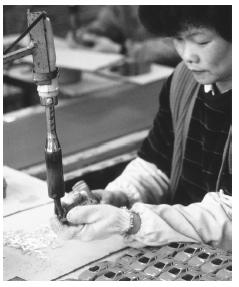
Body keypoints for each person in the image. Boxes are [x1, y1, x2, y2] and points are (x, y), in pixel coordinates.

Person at [54, 5, 232, 251]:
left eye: (201, 41)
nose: (187, 55)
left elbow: (230, 218)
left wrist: (133, 222)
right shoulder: (184, 81)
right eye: (178, 39)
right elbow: (157, 165)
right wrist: (118, 197)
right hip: (184, 250)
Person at [67, 5, 180, 67]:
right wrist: (86, 35)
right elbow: (107, 24)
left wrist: (122, 50)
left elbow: (176, 47)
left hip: (172, 77)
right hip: (136, 74)